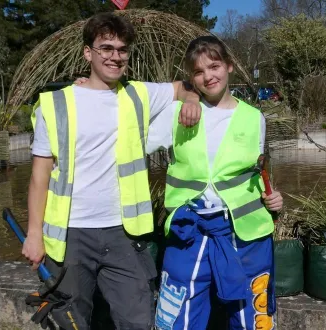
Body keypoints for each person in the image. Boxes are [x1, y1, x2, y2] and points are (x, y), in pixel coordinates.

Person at [21, 12, 202, 330]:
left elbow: (185, 86)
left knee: (137, 320)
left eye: (121, 49)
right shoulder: (55, 104)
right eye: (106, 48)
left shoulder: (139, 94)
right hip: (70, 236)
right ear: (88, 53)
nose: (115, 56)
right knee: (70, 321)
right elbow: (39, 177)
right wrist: (34, 234)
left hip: (124, 233)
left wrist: (193, 100)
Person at [146, 36, 284, 330]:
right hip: (188, 232)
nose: (208, 76)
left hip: (245, 235)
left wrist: (273, 198)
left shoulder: (254, 118)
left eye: (214, 66)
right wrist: (99, 91)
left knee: (253, 319)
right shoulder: (174, 114)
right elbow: (129, 134)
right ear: (191, 78)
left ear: (229, 66)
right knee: (176, 319)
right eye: (198, 71)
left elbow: (254, 173)